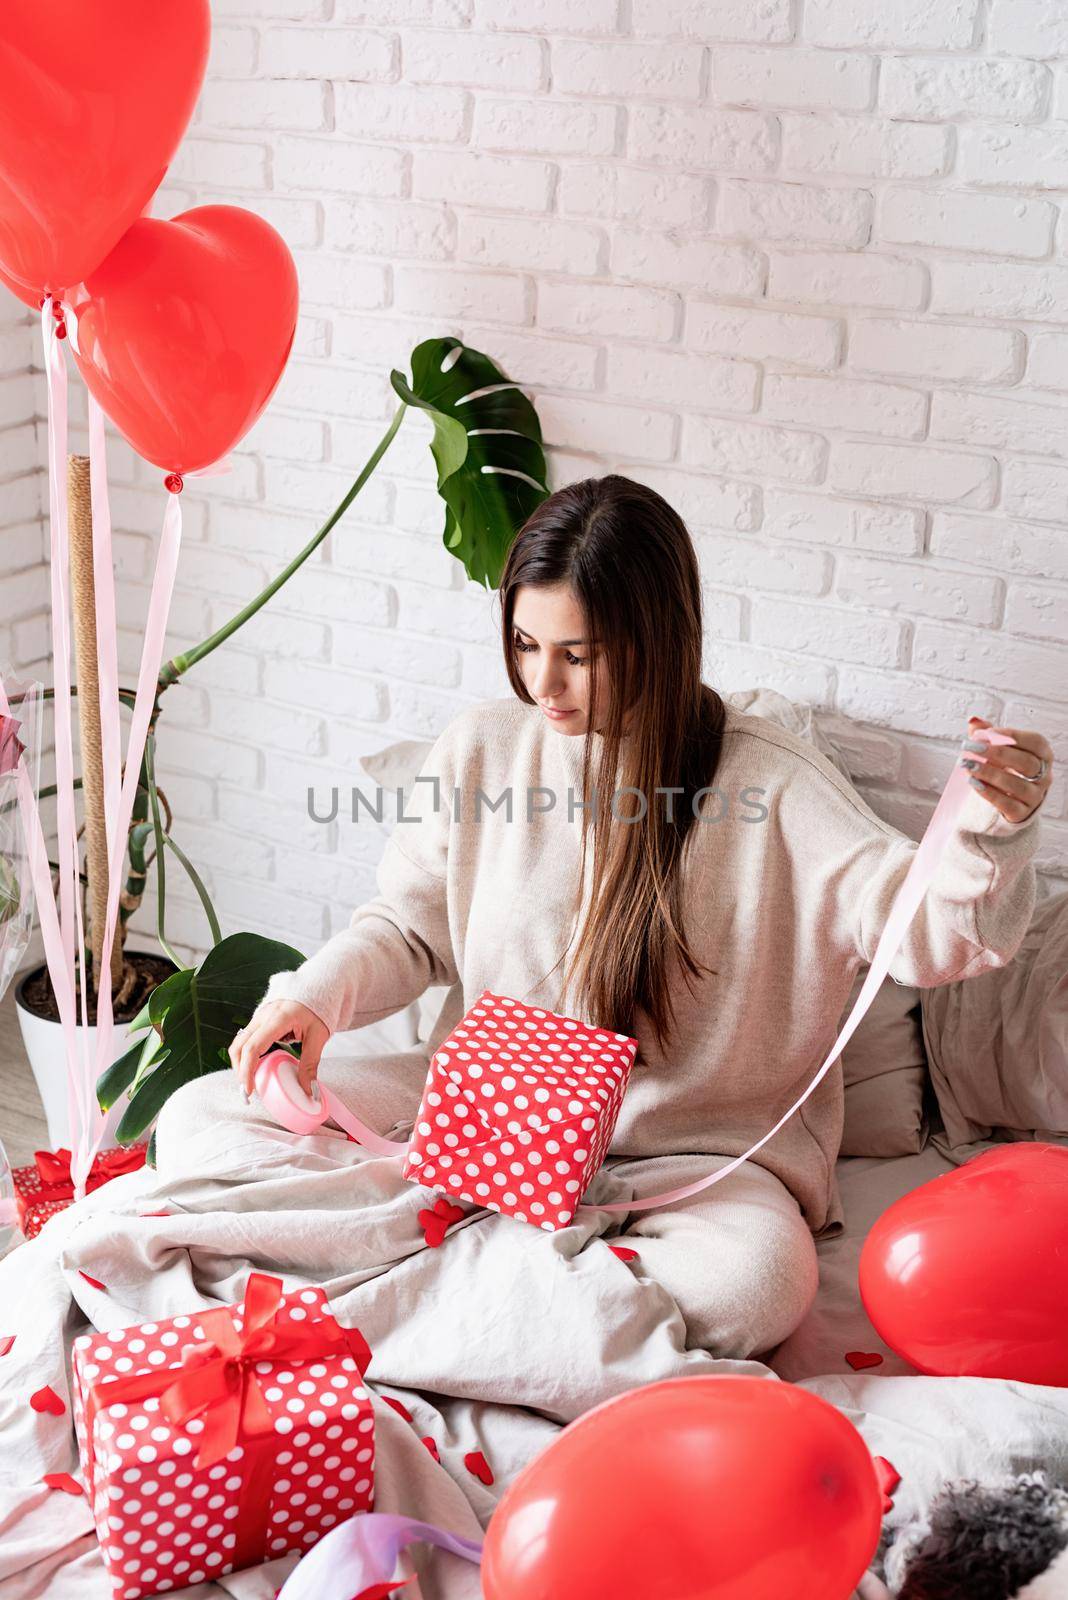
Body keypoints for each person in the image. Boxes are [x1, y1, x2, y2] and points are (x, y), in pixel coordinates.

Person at [157, 474, 1054, 1362]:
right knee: (203, 1117)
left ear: (657, 641)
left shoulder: (772, 784)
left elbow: (930, 934)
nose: (541, 683)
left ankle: (422, 1296)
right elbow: (408, 925)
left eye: (577, 655)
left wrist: (988, 831)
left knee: (758, 1286)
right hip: (492, 1125)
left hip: (689, 1165)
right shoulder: (484, 747)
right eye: (524, 642)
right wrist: (314, 999)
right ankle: (514, 1308)